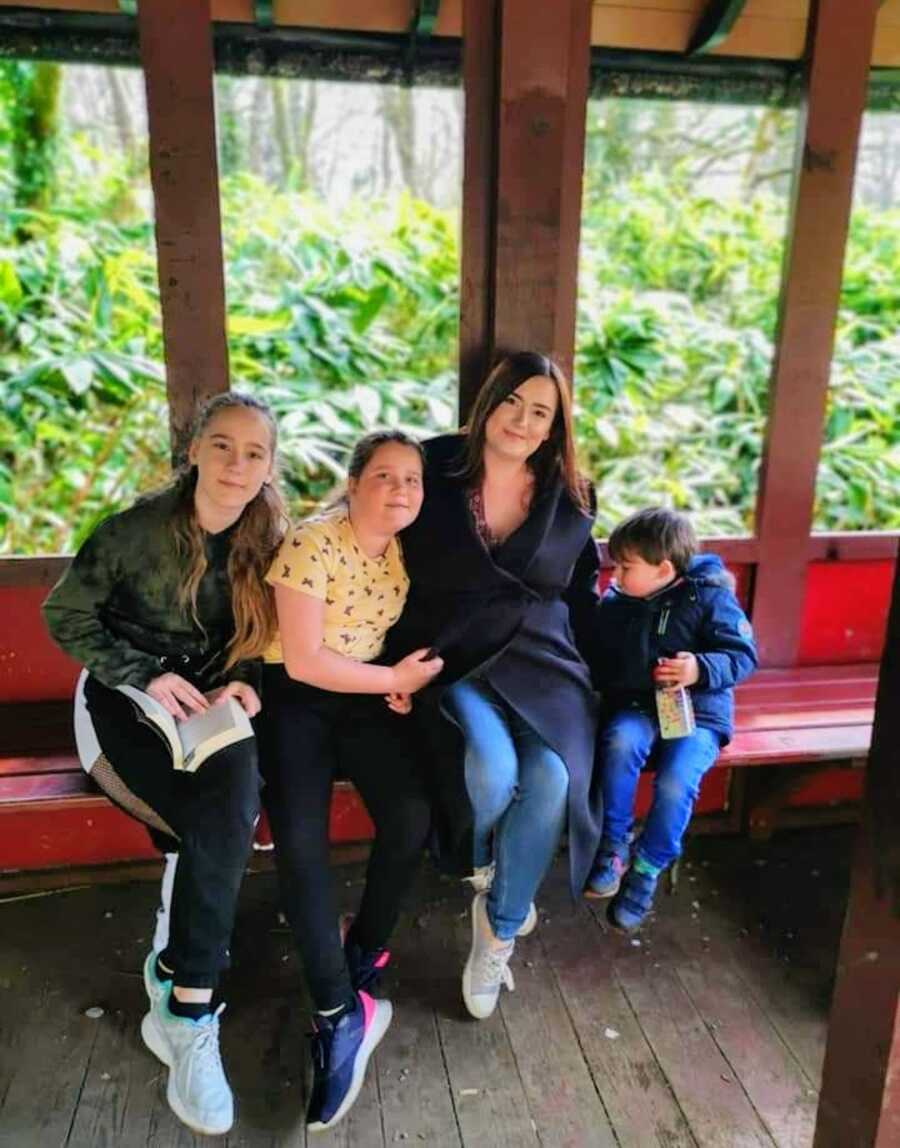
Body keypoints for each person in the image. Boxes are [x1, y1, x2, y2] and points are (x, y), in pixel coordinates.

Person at [42, 392, 285, 1137]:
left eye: (253, 452)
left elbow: (270, 636)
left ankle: (183, 1003)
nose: (236, 464)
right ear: (193, 449)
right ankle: (182, 991)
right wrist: (144, 674)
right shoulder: (136, 530)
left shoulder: (271, 534)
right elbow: (64, 615)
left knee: (231, 798)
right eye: (221, 445)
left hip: (211, 709)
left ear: (270, 464)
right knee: (213, 831)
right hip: (124, 701)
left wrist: (249, 678)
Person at [387, 351, 602, 1021]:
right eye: (513, 402)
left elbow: (584, 591)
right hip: (454, 653)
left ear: (553, 428)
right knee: (492, 763)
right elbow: (364, 534)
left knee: (553, 778)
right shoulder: (432, 466)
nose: (523, 420)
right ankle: (485, 864)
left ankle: (499, 928)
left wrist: (612, 680)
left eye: (541, 412)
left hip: (544, 657)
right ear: (489, 402)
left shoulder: (571, 493)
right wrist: (383, 665)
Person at [254, 429, 442, 1133]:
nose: (401, 490)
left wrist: (391, 686)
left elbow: (373, 639)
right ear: (355, 481)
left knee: (411, 814)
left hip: (359, 698)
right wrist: (392, 679)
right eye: (386, 476)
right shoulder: (311, 543)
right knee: (302, 844)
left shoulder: (398, 554)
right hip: (293, 699)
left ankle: (362, 953)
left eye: (414, 480)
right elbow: (302, 661)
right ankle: (339, 1012)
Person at [582, 507, 757, 931]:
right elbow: (598, 661)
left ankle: (647, 867)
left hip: (698, 714)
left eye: (625, 567)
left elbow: (743, 656)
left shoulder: (710, 594)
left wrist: (698, 669)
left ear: (662, 569)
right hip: (638, 709)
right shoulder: (617, 602)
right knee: (619, 743)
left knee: (677, 781)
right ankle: (614, 843)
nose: (615, 576)